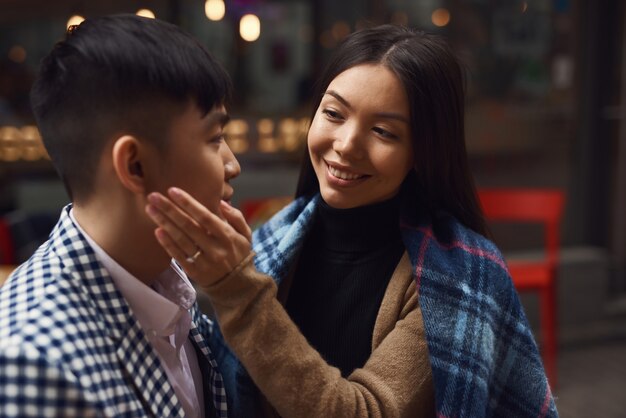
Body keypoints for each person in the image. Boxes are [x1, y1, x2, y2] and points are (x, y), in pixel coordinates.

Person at [146, 25, 558, 417]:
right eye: (334, 114)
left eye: (383, 131)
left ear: (424, 150)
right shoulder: (272, 241)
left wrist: (237, 292)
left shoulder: (459, 280)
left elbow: (365, 411)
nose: (345, 146)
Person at [0, 14, 239, 417]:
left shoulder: (164, 278)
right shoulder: (32, 360)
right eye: (215, 138)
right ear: (135, 166)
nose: (232, 164)